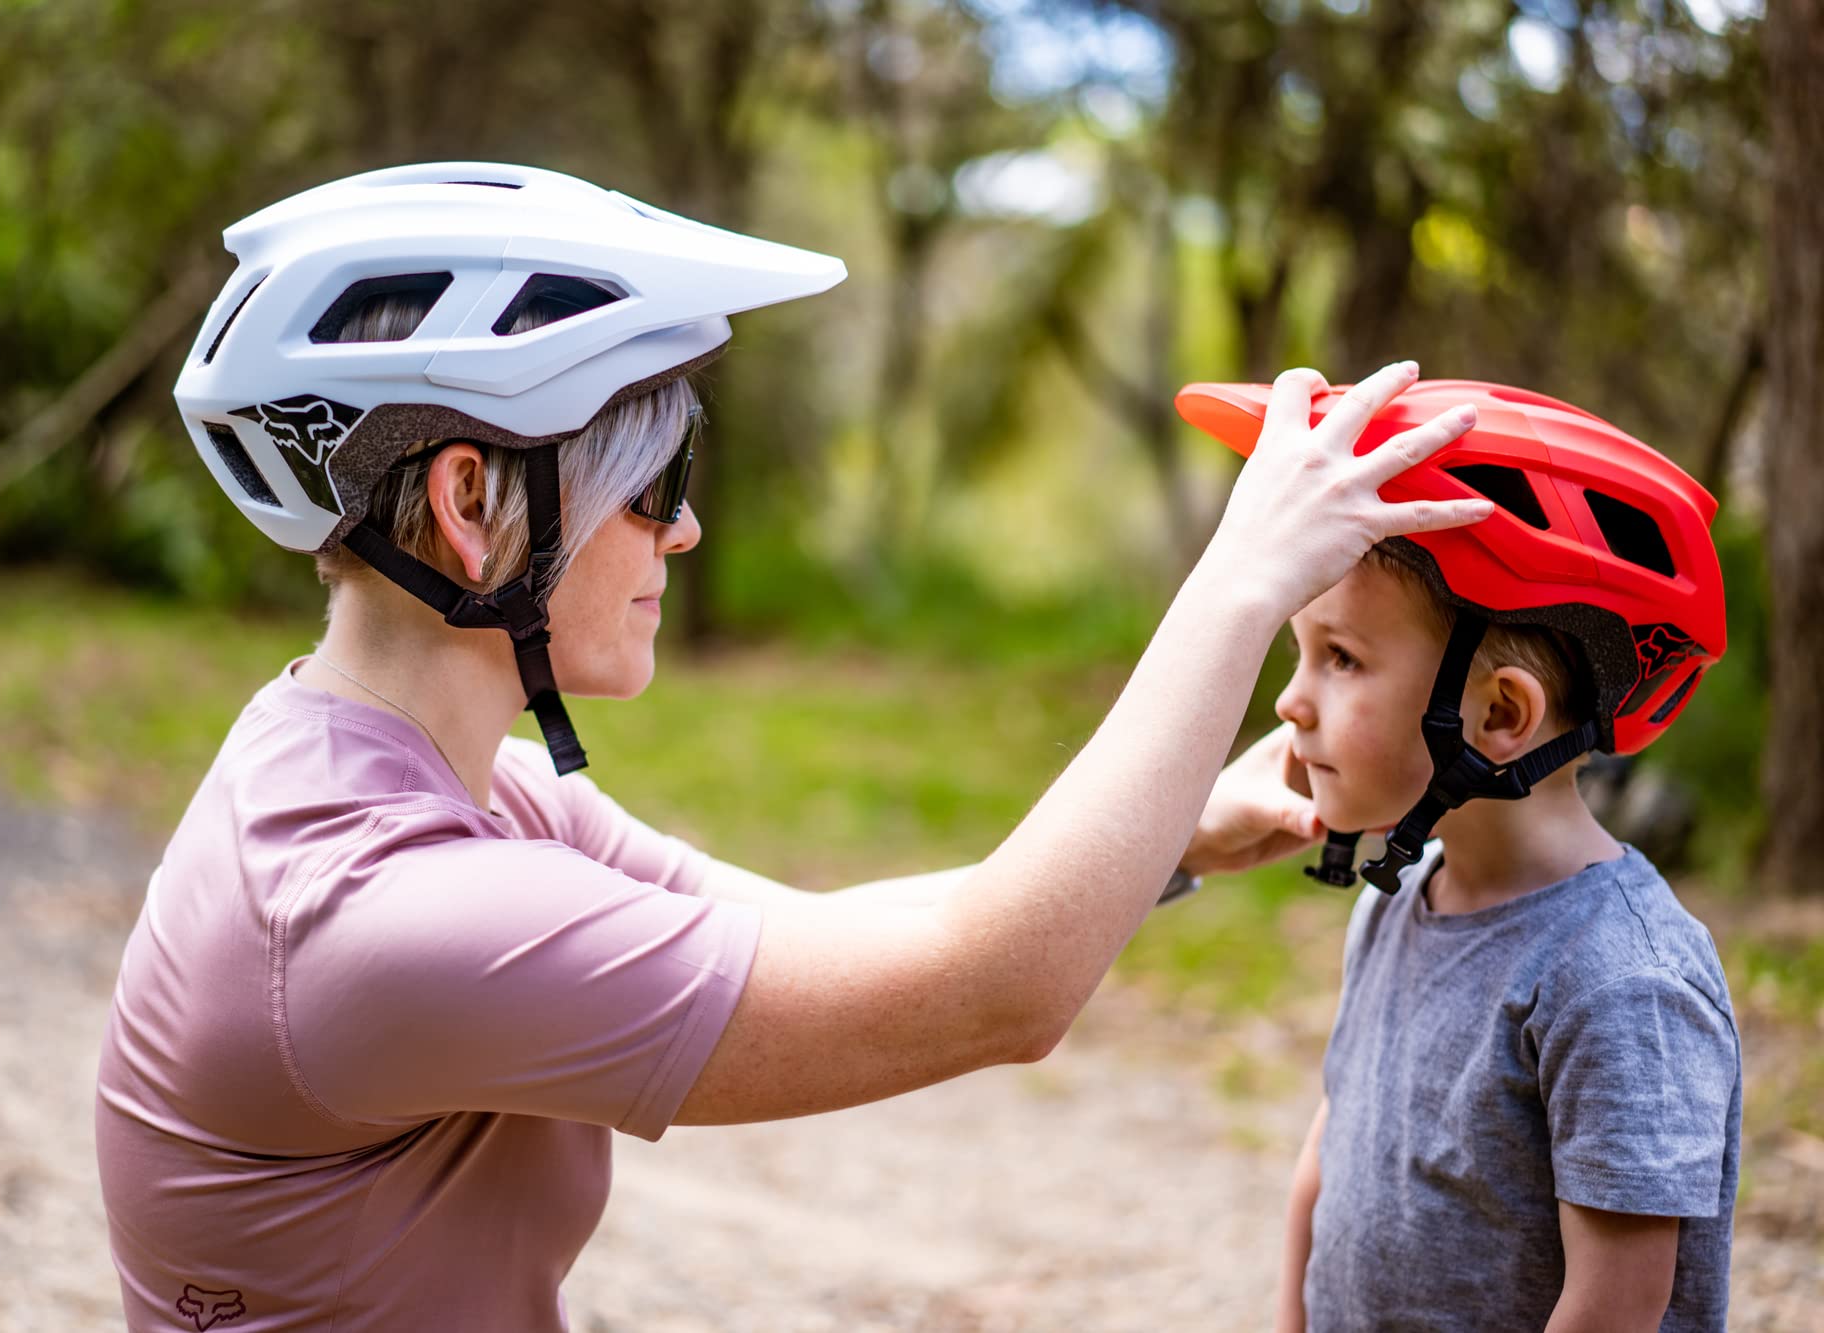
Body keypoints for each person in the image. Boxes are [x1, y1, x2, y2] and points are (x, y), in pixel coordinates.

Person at [95, 162, 1491, 1332]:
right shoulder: (388, 914)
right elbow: (996, 991)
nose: (684, 530)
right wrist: (1246, 574)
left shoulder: (441, 788)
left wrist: (1175, 834)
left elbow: (861, 936)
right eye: (657, 481)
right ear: (472, 501)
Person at [1177, 380, 1740, 1331]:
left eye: (1341, 658)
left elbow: (1616, 1303)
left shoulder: (1620, 980)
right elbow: (1333, 1157)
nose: (1290, 702)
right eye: (1297, 652)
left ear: (1500, 717)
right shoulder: (1398, 900)